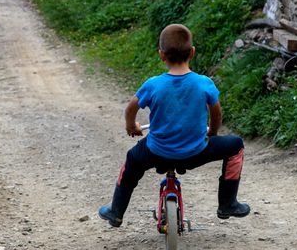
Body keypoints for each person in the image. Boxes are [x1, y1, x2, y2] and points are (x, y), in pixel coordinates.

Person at [98, 24, 250, 227]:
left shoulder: (153, 84)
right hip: (196, 153)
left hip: (156, 153)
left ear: (162, 55)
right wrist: (212, 132)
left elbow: (130, 109)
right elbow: (216, 113)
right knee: (235, 145)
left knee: (132, 161)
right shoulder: (204, 83)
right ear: (192, 52)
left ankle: (116, 211)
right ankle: (227, 204)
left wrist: (131, 126)